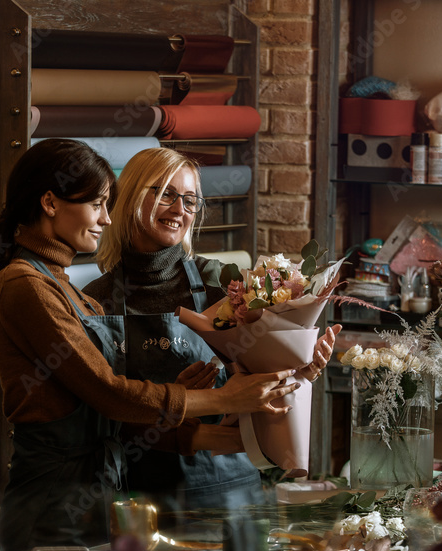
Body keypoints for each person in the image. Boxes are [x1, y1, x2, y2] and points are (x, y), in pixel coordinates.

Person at [0, 139, 299, 551]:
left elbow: (113, 419)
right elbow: (109, 394)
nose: (105, 219)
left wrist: (238, 438)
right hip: (58, 500)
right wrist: (222, 399)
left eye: (190, 200)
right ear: (50, 203)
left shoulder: (72, 294)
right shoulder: (29, 286)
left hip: (100, 495)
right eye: (97, 204)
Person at [85, 147, 340, 509]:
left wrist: (303, 369)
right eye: (165, 194)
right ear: (130, 198)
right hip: (140, 492)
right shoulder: (95, 300)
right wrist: (172, 398)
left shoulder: (224, 285)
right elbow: (101, 411)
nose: (179, 210)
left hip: (228, 482)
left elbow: (265, 379)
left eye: (190, 200)